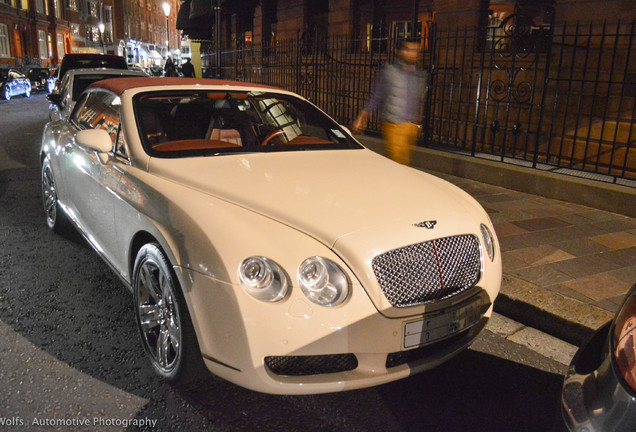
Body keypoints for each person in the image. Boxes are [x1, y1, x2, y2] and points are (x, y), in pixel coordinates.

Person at [353, 40, 428, 166]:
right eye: (408, 50)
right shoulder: (389, 71)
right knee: (398, 162)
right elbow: (376, 96)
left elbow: (419, 100)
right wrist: (362, 117)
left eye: (415, 51)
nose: (412, 54)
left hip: (412, 127)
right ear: (399, 52)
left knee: (404, 162)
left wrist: (419, 122)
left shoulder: (420, 75)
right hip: (394, 124)